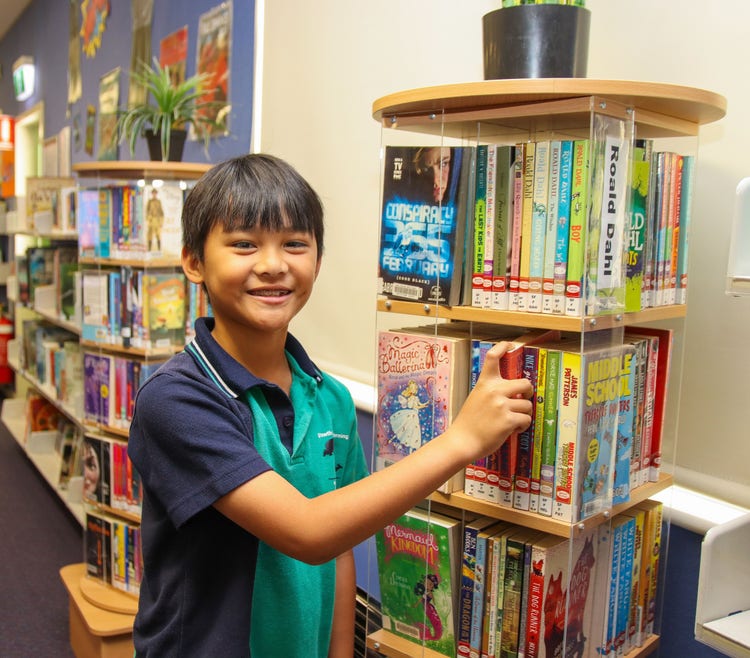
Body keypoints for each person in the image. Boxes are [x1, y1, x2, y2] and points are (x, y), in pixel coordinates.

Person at [127, 153, 534, 657]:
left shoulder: (331, 398)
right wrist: (462, 441)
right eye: (243, 244)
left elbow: (340, 544)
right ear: (194, 262)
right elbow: (309, 531)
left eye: (295, 244)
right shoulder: (176, 399)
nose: (273, 264)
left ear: (318, 259)